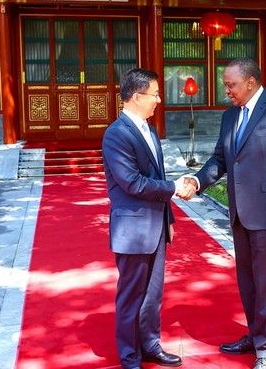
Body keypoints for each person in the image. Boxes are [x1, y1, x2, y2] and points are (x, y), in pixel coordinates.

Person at [184, 58, 266, 369]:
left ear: (250, 82)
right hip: (240, 215)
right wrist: (197, 181)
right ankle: (254, 335)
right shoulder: (229, 117)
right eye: (226, 85)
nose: (227, 91)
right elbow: (220, 161)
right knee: (249, 282)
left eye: (231, 85)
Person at [102, 67, 193, 369]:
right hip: (133, 229)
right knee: (131, 296)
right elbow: (133, 182)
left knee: (153, 295)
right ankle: (130, 357)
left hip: (156, 226)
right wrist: (173, 189)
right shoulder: (116, 134)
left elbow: (156, 175)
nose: (158, 100)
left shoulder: (149, 130)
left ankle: (151, 345)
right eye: (154, 95)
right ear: (137, 97)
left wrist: (169, 219)